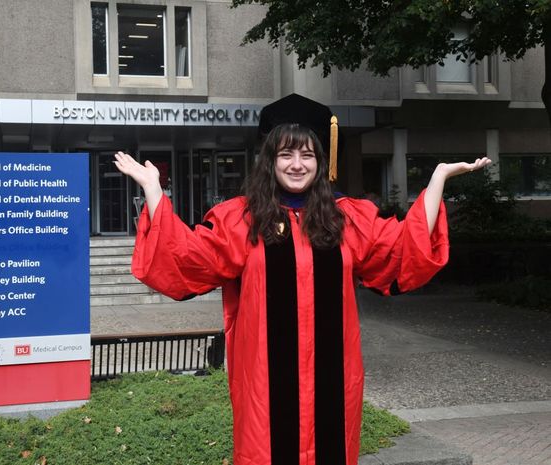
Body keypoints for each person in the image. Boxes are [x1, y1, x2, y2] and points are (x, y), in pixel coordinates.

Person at [114, 105, 490, 465]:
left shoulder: (345, 219)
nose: (297, 164)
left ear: (321, 162)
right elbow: (188, 257)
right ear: (270, 161)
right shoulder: (242, 220)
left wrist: (437, 178)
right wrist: (154, 190)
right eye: (286, 155)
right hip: (266, 389)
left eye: (308, 155)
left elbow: (402, 247)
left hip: (333, 385)